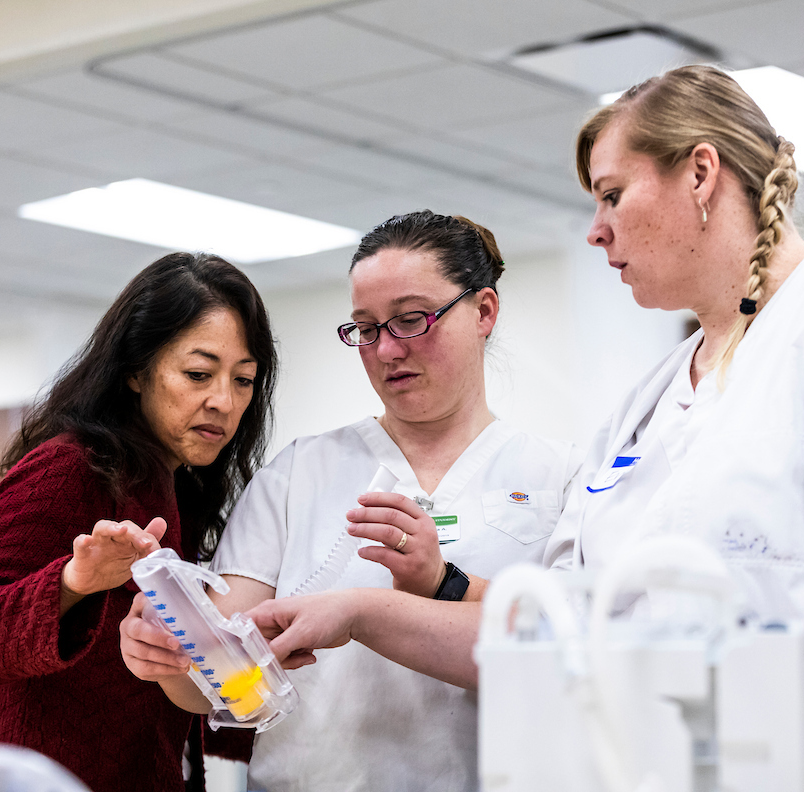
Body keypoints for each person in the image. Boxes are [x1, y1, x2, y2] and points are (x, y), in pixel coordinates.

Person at [241, 66, 804, 792]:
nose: (595, 231)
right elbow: (564, 626)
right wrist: (368, 609)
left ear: (701, 174)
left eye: (613, 195)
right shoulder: (649, 403)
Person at [119, 211, 581, 791]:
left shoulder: (561, 476)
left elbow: (574, 658)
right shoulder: (298, 473)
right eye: (365, 328)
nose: (385, 350)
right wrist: (170, 657)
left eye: (410, 320)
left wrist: (392, 602)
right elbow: (226, 682)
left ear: (483, 311)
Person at [0, 252, 277, 792]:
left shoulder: (183, 489)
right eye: (198, 374)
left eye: (243, 380)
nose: (223, 401)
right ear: (136, 371)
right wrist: (73, 582)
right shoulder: (69, 467)